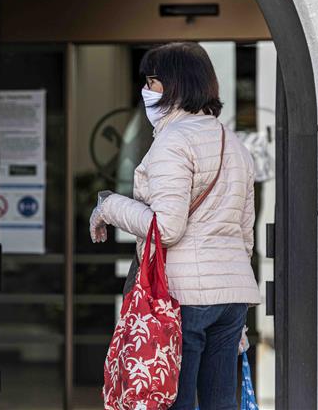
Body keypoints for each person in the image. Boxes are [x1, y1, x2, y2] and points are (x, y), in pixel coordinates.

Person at [89, 42, 260, 409]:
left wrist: (109, 205)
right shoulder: (234, 143)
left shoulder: (173, 142)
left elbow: (166, 228)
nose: (147, 92)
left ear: (174, 85)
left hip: (183, 297)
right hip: (232, 297)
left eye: (152, 82)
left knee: (172, 401)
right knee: (219, 403)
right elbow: (245, 235)